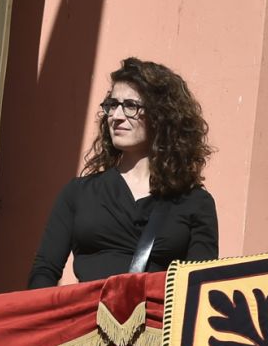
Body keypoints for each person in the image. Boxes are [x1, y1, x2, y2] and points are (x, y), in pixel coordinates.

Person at [28, 58, 218, 287]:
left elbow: (199, 288)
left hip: (156, 322)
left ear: (162, 116)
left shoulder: (195, 203)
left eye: (130, 105)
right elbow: (44, 271)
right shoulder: (79, 193)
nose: (116, 116)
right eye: (112, 105)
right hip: (87, 320)